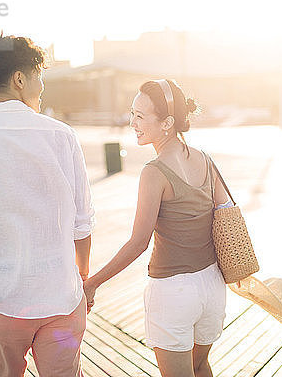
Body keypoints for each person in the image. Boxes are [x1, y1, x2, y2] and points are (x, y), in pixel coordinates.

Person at [0, 35, 95, 377]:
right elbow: (82, 224)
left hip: (0, 299)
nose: (42, 85)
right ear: (20, 79)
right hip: (62, 299)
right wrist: (81, 278)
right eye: (39, 75)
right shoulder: (62, 136)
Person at [83, 79, 230, 377]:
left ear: (167, 123)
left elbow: (139, 243)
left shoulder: (154, 172)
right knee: (200, 366)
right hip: (213, 286)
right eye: (132, 113)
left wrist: (92, 282)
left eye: (140, 116)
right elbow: (225, 217)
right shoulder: (205, 159)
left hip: (174, 292)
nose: (132, 123)